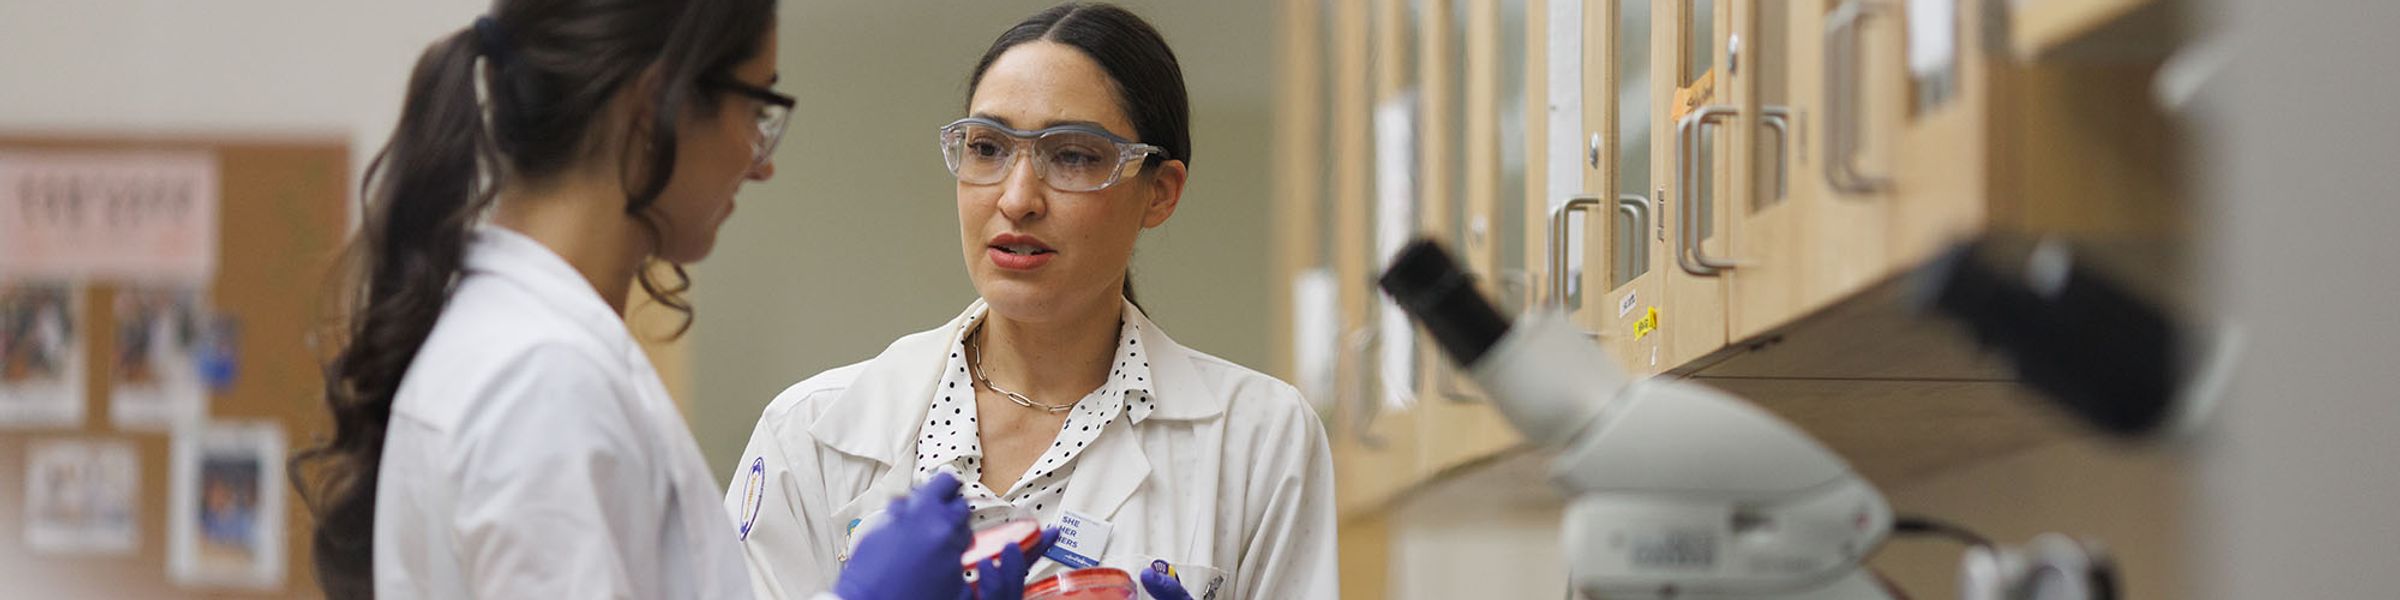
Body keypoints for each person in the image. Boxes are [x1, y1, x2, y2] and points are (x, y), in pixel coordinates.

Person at [285, 2, 1046, 598]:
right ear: (655, 106)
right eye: (757, 110)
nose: (760, 164)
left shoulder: (523, 346)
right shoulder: (542, 381)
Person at [726, 4, 1337, 599]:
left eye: (1073, 155)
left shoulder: (1260, 440)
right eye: (987, 148)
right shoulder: (810, 434)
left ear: (1160, 192)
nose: (1018, 198)